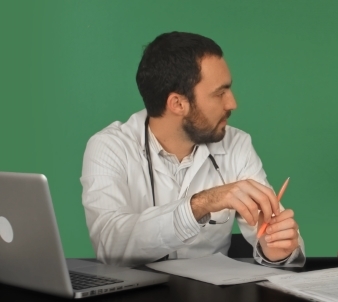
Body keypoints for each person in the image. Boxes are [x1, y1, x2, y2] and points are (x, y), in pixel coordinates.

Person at [81, 32, 304, 268]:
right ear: (177, 104)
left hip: (211, 300)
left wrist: (277, 251)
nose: (232, 103)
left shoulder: (237, 145)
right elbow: (110, 248)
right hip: (133, 301)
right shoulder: (110, 147)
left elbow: (280, 239)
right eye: (220, 93)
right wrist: (202, 204)